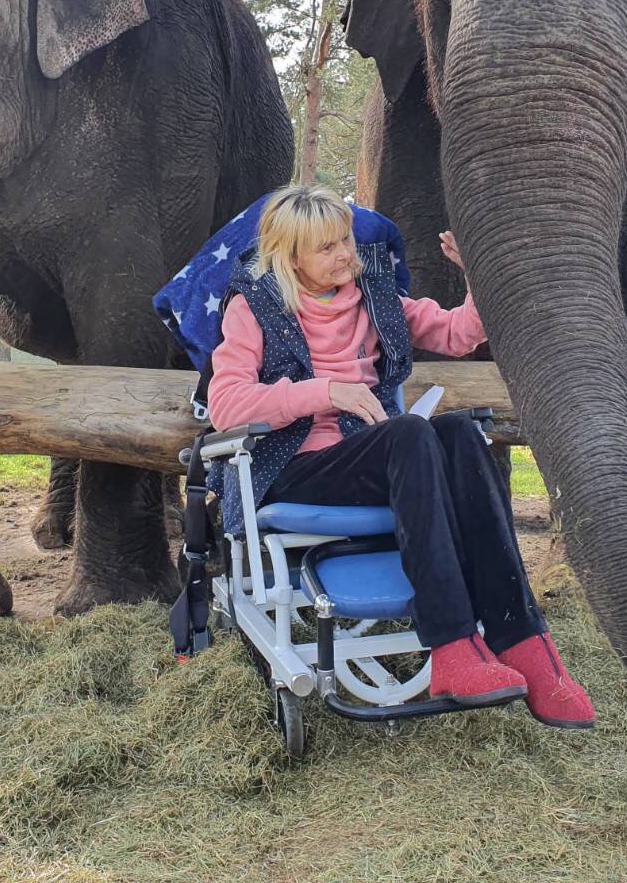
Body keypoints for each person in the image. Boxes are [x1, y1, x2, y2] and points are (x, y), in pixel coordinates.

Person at [207, 183, 594, 729]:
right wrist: (323, 391)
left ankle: (523, 640)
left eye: (345, 239)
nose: (346, 254)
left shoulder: (375, 296)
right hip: (295, 465)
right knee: (410, 433)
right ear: (290, 257)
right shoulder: (254, 307)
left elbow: (458, 334)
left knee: (460, 433)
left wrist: (477, 274)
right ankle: (452, 647)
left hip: (374, 456)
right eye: (327, 248)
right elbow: (225, 404)